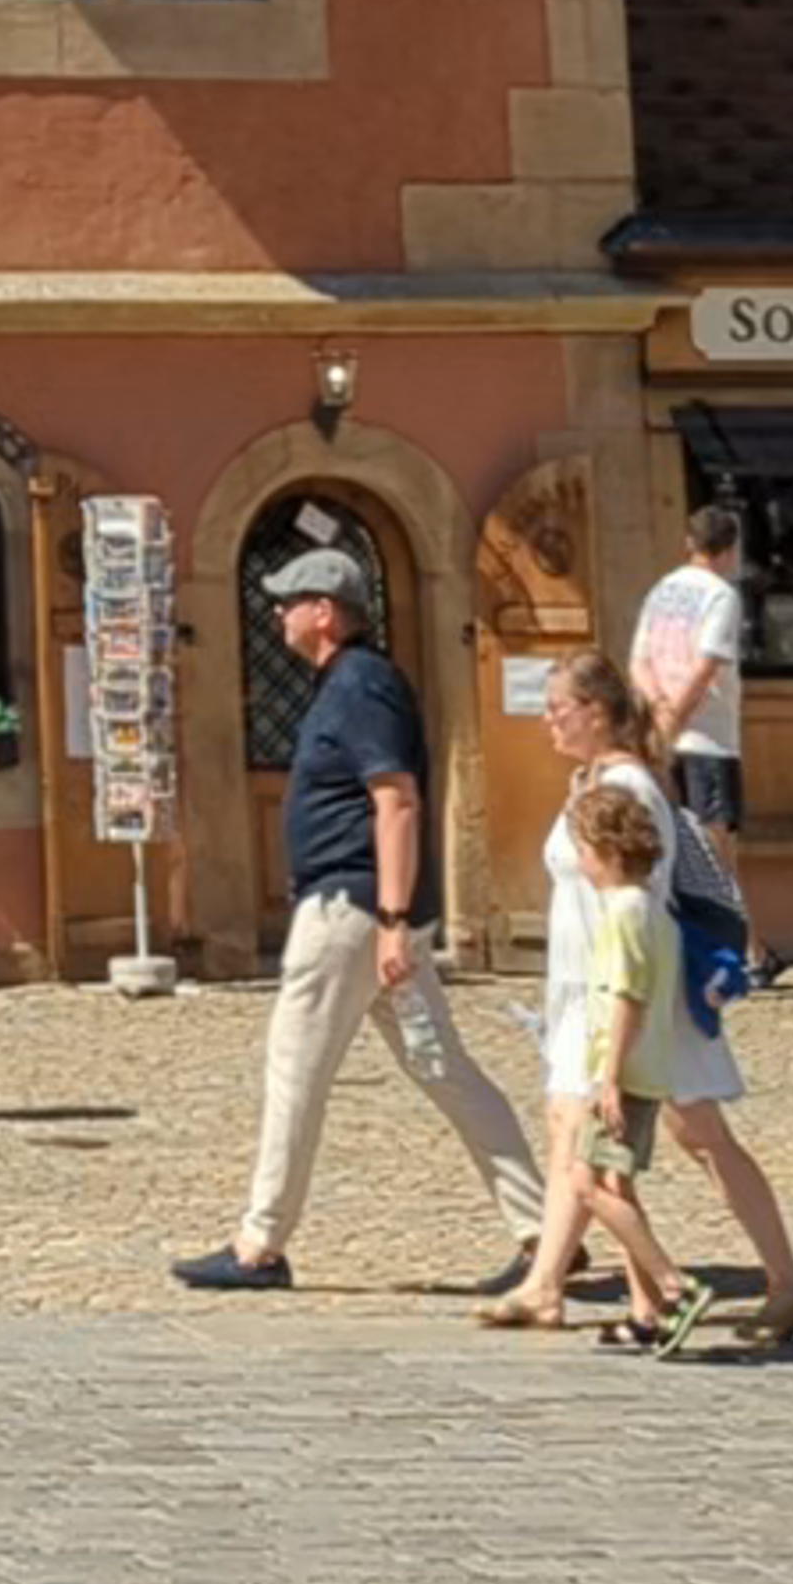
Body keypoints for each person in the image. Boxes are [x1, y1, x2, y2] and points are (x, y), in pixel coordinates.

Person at [171, 539, 537, 1292]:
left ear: (325, 612)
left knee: (294, 1062)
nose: (277, 612)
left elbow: (395, 800)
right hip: (368, 908)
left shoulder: (362, 686)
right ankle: (543, 1227)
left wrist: (395, 917)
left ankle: (259, 1243)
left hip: (351, 909)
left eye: (288, 600)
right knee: (443, 1067)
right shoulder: (353, 682)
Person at [540, 646, 793, 1341]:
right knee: (629, 1149)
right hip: (607, 999)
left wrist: (619, 1023)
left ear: (597, 712)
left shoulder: (628, 788)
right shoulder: (597, 778)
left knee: (680, 1142)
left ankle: (735, 1286)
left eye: (559, 709)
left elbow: (639, 902)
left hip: (638, 1004)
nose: (548, 721)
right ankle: (650, 1300)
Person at [481, 766, 696, 1343]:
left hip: (620, 1076)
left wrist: (605, 1078)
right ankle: (647, 1317)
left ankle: (675, 1286)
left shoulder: (623, 915)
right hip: (648, 1070)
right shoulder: (656, 911)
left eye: (582, 850)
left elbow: (626, 998)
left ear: (604, 850)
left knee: (587, 1186)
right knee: (615, 1186)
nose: (578, 863)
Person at [630, 495, 773, 980]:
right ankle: (742, 952)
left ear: (689, 543)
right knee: (715, 850)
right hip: (709, 739)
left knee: (679, 848)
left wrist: (658, 711)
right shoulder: (720, 596)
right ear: (730, 549)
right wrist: (677, 717)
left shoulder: (662, 591)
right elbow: (707, 665)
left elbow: (639, 663)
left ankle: (738, 947)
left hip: (667, 737)